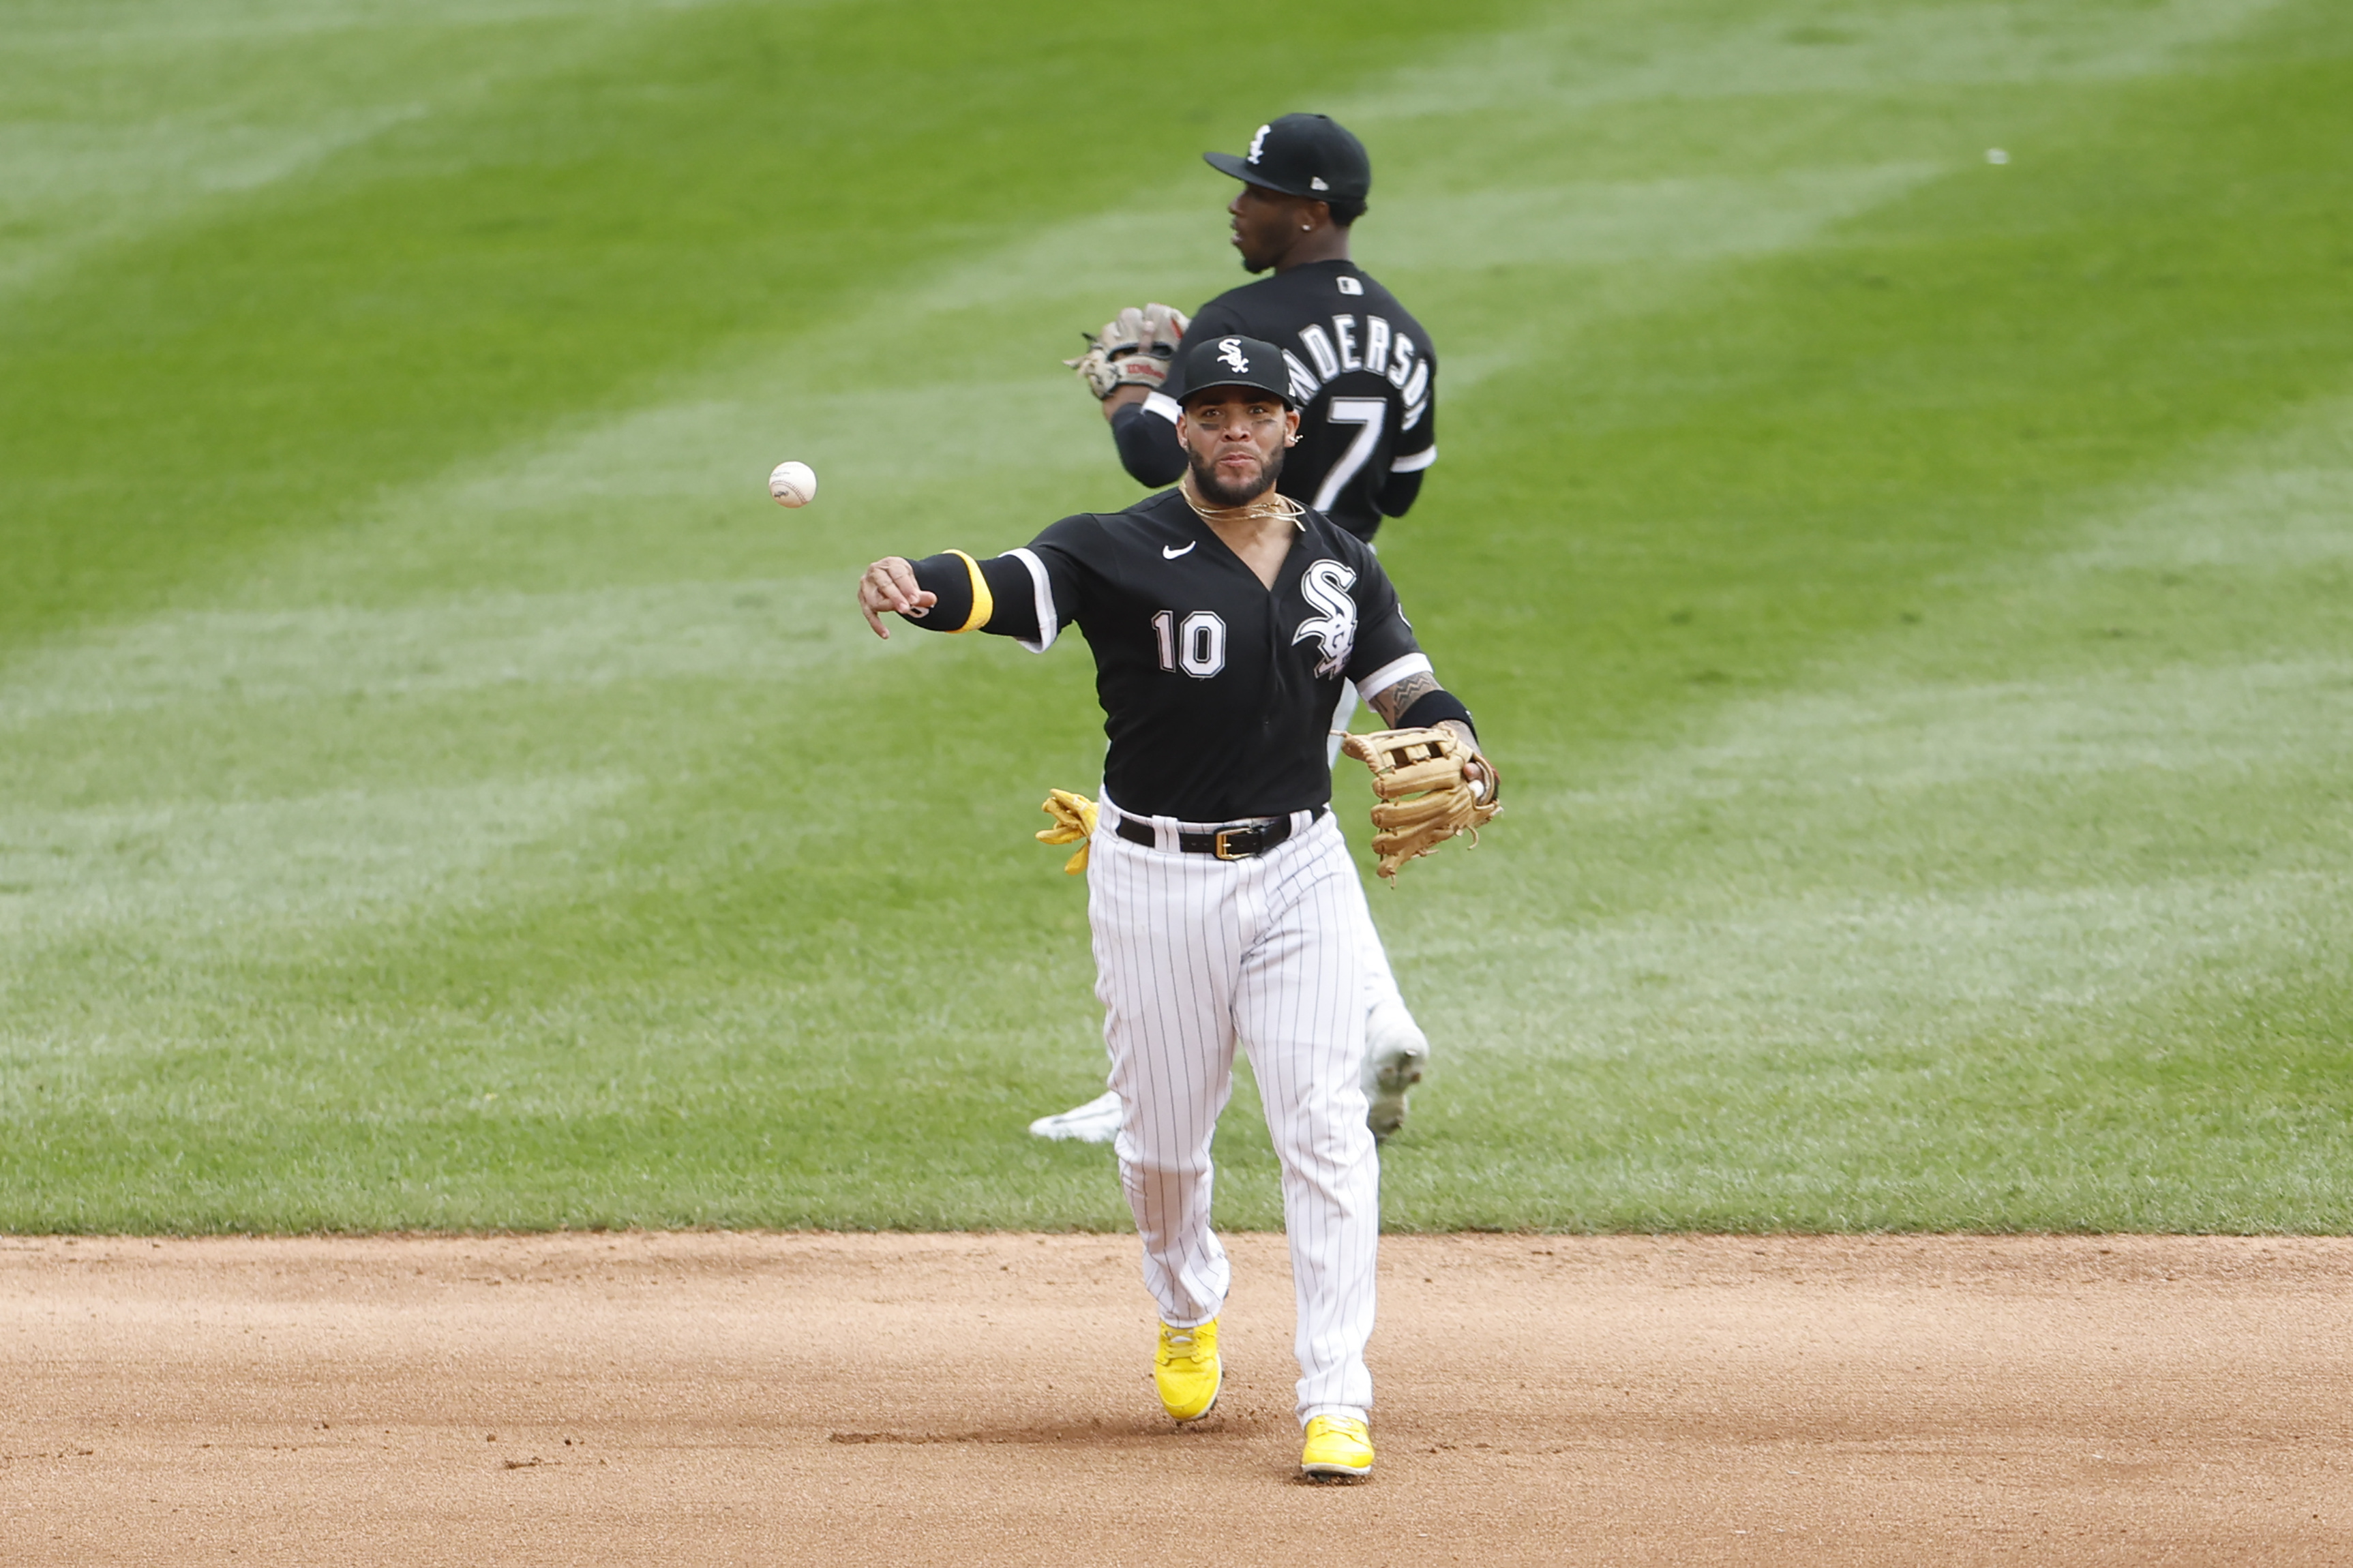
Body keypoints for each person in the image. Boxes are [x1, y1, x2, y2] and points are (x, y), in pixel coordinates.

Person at [856, 335, 1496, 1482]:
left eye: (1257, 411)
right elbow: (1013, 585)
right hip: (1152, 876)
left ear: (1290, 427)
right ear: (1184, 428)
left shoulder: (1342, 561)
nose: (1235, 430)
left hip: (1302, 869)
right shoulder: (1116, 547)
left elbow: (1403, 680)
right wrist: (918, 582)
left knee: (1326, 1130)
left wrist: (1460, 736)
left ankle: (1335, 1397)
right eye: (1213, 411)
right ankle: (1189, 1300)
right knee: (1160, 1149)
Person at [1036, 111, 1442, 1147]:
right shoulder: (1407, 335)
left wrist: (1131, 388)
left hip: (1243, 595)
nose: (1237, 205)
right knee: (1296, 831)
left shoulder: (1245, 318)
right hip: (1349, 591)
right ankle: (1375, 1024)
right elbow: (1400, 487)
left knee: (1240, 831)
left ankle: (1172, 1086)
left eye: (1257, 192)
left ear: (1310, 211)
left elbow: (1154, 455)